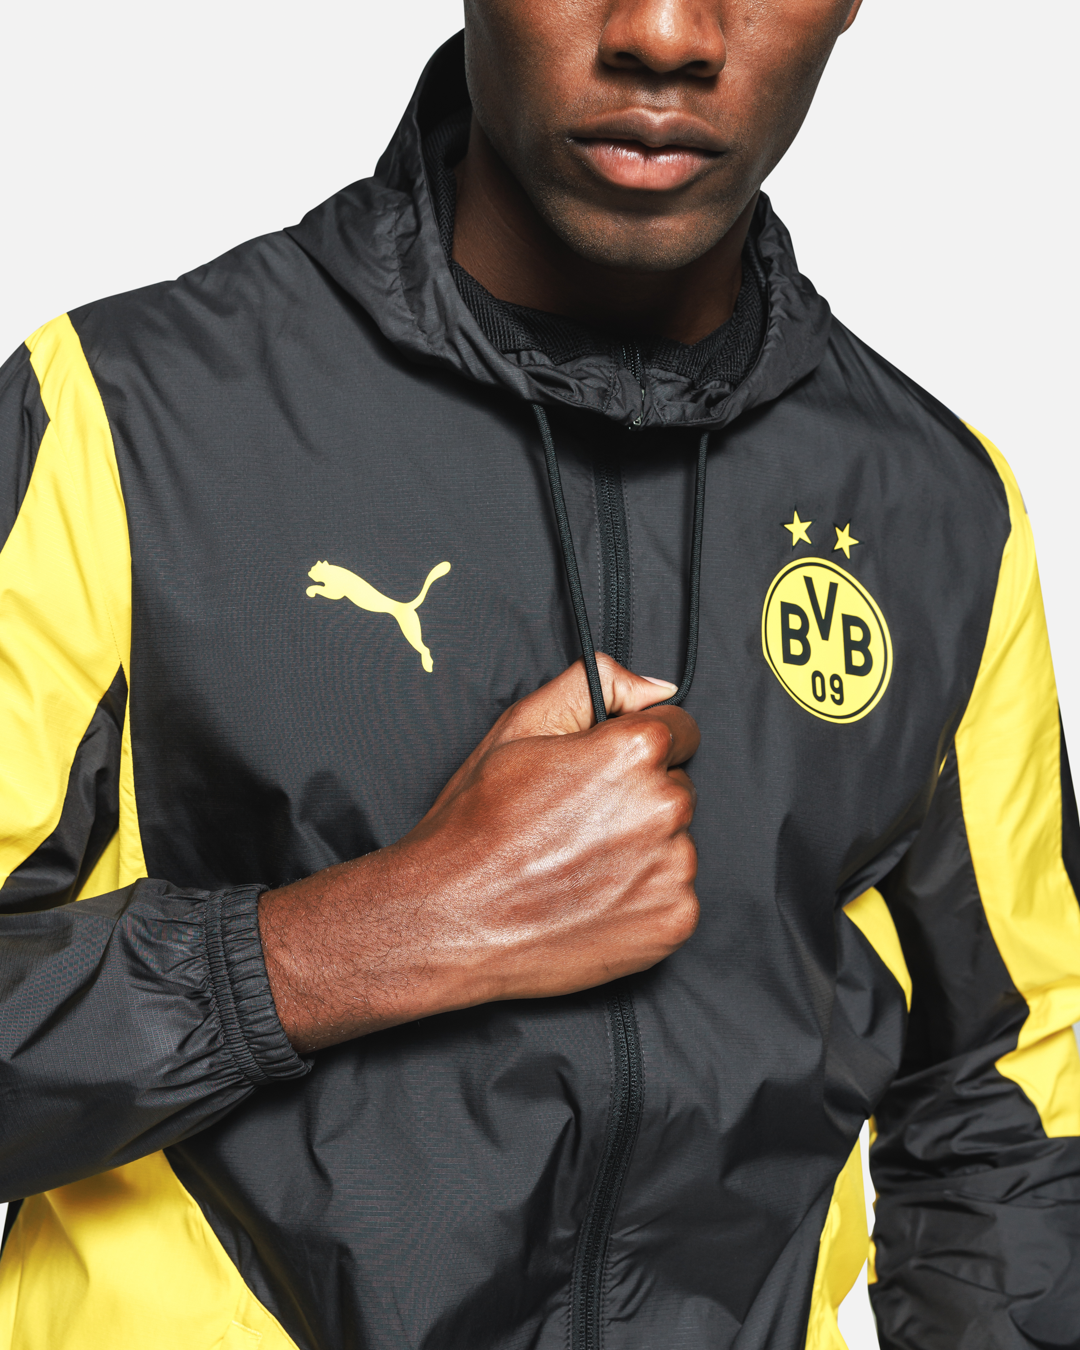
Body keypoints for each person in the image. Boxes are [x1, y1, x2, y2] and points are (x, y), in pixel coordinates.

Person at [1, 0, 1078, 1346]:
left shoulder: (937, 508)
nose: (668, 32)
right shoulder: (125, 416)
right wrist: (379, 931)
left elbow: (1009, 1118)